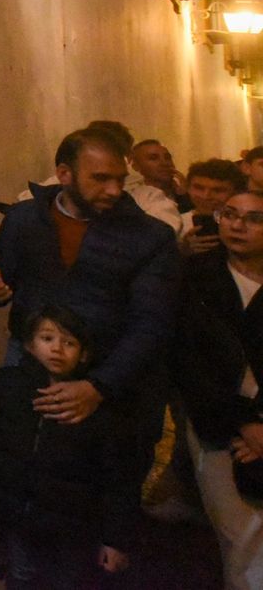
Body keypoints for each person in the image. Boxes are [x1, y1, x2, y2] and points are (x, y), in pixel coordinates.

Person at [0, 127, 180, 484]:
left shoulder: (150, 236)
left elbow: (152, 322)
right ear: (64, 174)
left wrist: (98, 387)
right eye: (100, 179)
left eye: (120, 179)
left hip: (113, 383)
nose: (114, 190)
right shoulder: (24, 219)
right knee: (28, 474)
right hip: (34, 373)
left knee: (105, 486)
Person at [0, 305, 137, 590]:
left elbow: (117, 478)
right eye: (47, 339)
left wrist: (114, 539)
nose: (57, 349)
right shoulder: (3, 387)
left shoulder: (99, 412)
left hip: (72, 526)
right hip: (19, 516)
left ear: (84, 353)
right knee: (22, 574)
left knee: (67, 580)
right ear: (29, 344)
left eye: (69, 342)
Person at [172, 191, 263, 590]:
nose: (237, 225)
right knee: (242, 533)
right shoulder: (195, 276)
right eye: (230, 215)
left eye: (254, 218)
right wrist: (245, 424)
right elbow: (189, 361)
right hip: (217, 421)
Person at [15, 119, 181, 233]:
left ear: (127, 158)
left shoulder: (148, 197)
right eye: (100, 178)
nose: (113, 191)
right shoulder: (50, 191)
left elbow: (165, 232)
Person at [180, 157, 245, 258]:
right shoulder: (176, 225)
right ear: (188, 188)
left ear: (236, 192)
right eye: (198, 188)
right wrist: (181, 252)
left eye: (218, 190)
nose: (206, 196)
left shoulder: (248, 225)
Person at [131, 138, 191, 211]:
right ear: (136, 166)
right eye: (153, 158)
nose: (164, 163)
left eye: (167, 157)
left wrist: (184, 196)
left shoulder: (187, 195)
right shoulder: (133, 201)